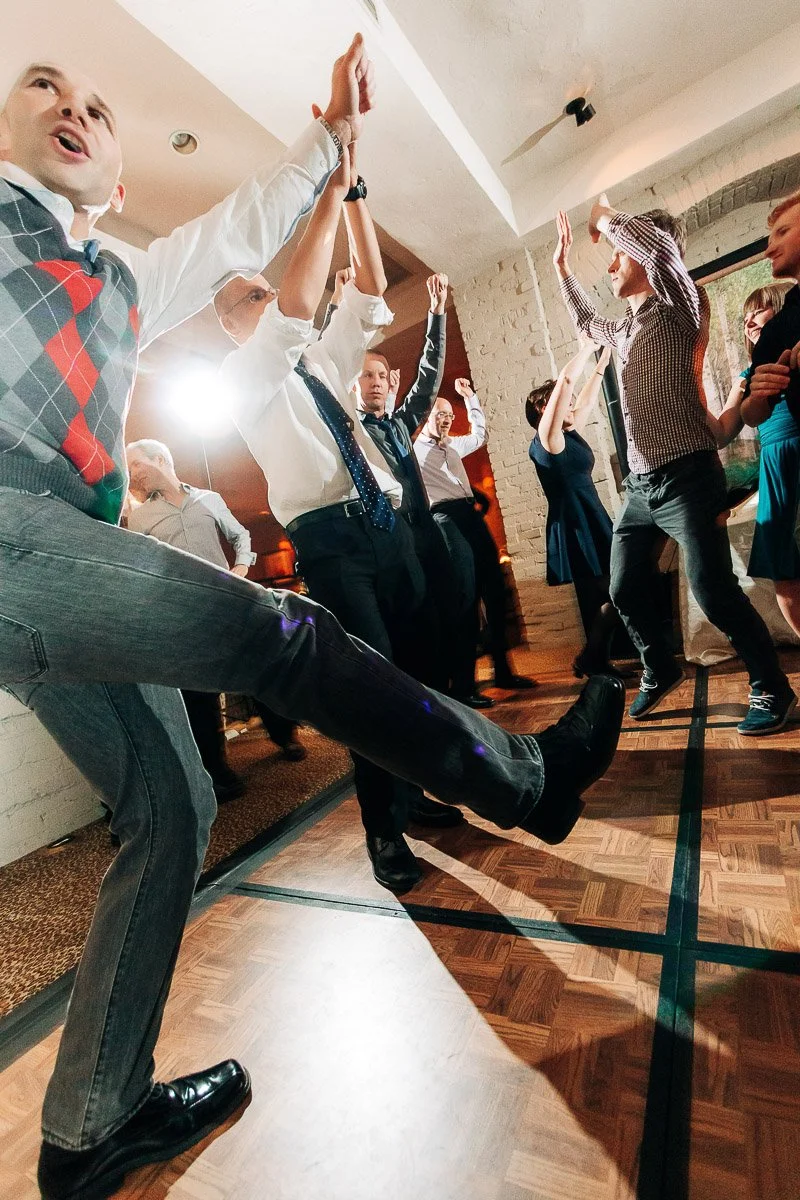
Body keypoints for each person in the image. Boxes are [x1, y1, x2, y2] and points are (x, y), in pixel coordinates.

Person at [0, 49, 623, 1200]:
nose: (73, 107)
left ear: (119, 184)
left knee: (174, 803)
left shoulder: (127, 278)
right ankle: (521, 780)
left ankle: (92, 1120)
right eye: (44, 86)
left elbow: (242, 224)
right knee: (279, 634)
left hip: (50, 569)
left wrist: (334, 143)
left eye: (97, 105)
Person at [217, 149, 472, 892]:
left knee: (421, 672)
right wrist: (326, 189)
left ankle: (417, 792)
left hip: (386, 525)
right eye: (256, 296)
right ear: (235, 323)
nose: (272, 297)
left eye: (268, 290)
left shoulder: (320, 363)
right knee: (371, 687)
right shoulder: (243, 379)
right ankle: (383, 832)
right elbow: (298, 307)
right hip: (330, 542)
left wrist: (357, 197)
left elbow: (370, 282)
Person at [554, 201, 795, 732]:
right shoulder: (629, 327)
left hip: (689, 479)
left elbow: (662, 250)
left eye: (619, 255)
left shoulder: (681, 306)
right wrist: (563, 271)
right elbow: (590, 326)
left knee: (713, 592)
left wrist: (606, 216)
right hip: (642, 488)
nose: (613, 265)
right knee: (622, 587)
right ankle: (659, 667)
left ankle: (771, 689)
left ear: (647, 255)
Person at [126, 438, 306, 786]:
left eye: (135, 464)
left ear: (160, 459)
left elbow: (241, 536)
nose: (132, 474)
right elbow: (143, 566)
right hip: (183, 614)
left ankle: (286, 736)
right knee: (200, 696)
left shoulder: (209, 499)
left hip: (229, 603)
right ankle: (219, 772)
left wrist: (240, 568)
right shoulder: (141, 515)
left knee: (261, 672)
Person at [358, 273, 483, 709]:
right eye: (366, 376)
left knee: (454, 607)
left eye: (380, 374)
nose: (375, 381)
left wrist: (436, 316)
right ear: (354, 384)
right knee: (417, 626)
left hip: (429, 531)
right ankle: (431, 706)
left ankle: (462, 694)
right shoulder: (354, 433)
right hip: (395, 540)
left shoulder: (398, 424)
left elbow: (428, 379)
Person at [414, 383, 537, 693]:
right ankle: (465, 685)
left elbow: (480, 435)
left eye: (448, 415)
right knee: (466, 597)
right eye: (439, 414)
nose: (445, 419)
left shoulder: (453, 445)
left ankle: (504, 673)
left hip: (470, 517)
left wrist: (470, 399)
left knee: (495, 590)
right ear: (426, 416)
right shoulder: (414, 452)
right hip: (445, 519)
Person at [525, 340, 628, 678]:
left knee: (612, 592)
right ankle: (592, 659)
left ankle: (594, 659)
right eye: (560, 402)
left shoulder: (570, 434)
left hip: (591, 515)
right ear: (545, 409)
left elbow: (586, 394)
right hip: (573, 523)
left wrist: (602, 361)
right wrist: (586, 345)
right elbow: (567, 384)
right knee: (610, 592)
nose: (569, 405)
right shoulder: (547, 439)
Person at [741, 190, 800, 637]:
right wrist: (758, 395)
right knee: (788, 577)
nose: (769, 245)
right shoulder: (779, 329)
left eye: (783, 232)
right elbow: (752, 413)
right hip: (782, 462)